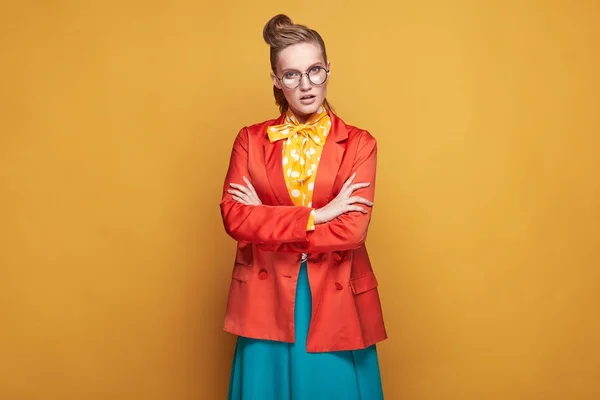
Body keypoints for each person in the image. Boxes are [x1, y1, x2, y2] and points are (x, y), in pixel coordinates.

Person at [219, 13, 387, 400]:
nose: (307, 85)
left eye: (314, 71)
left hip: (335, 292)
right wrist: (319, 215)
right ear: (277, 80)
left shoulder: (360, 144)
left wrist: (265, 219)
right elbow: (234, 217)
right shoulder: (249, 140)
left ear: (328, 69)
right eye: (292, 75)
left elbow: (352, 231)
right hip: (264, 296)